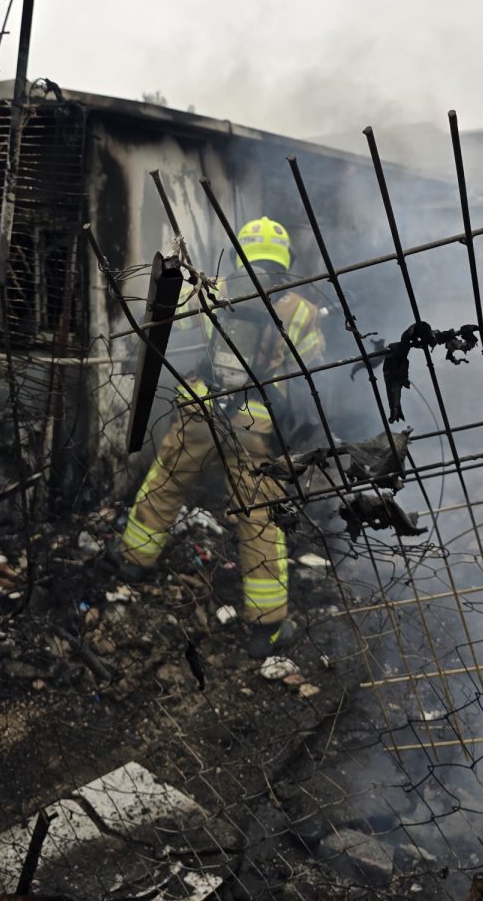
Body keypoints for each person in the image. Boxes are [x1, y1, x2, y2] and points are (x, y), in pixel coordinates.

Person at [109, 216, 325, 658]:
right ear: (285, 258)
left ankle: (132, 562)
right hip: (256, 424)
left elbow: (174, 326)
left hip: (201, 408)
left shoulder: (214, 288)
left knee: (166, 483)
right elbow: (312, 366)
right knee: (260, 515)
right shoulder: (299, 311)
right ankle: (266, 627)